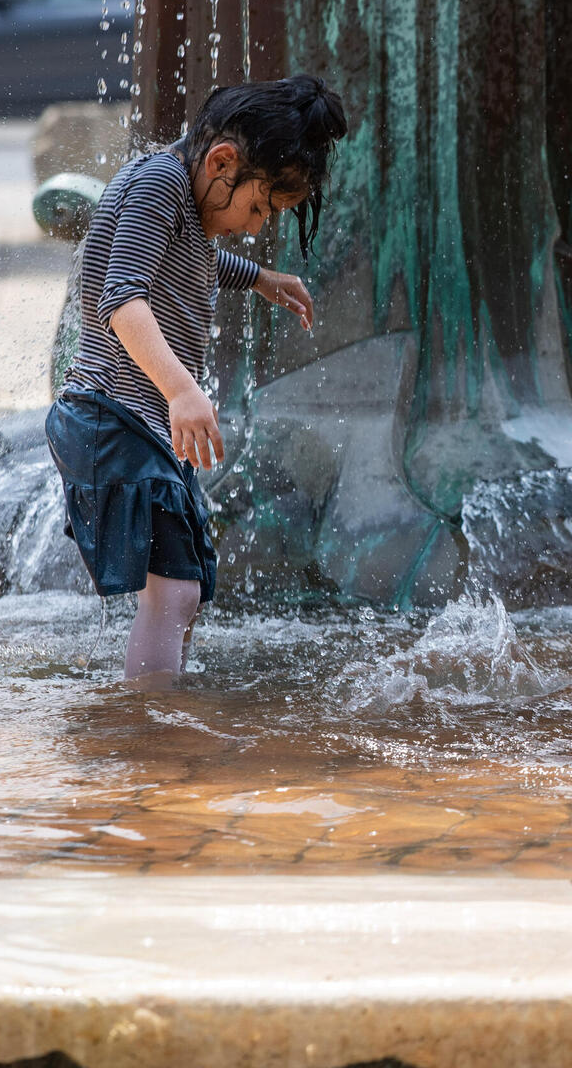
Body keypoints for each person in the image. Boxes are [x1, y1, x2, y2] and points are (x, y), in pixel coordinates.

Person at [44, 75, 348, 689]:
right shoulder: (158, 184)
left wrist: (260, 276)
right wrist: (183, 390)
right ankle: (152, 732)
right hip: (110, 414)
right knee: (176, 592)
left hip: (136, 422)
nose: (257, 225)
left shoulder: (186, 196)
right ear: (222, 161)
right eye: (259, 207)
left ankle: (152, 705)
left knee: (185, 590)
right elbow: (122, 299)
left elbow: (196, 257)